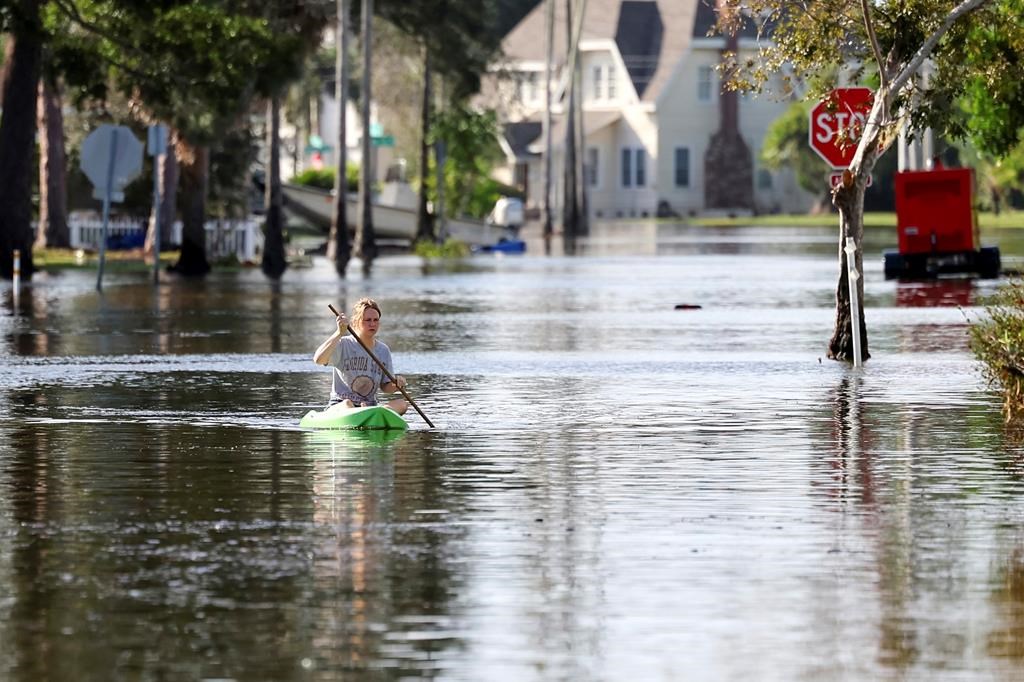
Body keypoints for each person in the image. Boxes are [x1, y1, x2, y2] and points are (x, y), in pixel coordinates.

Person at [313, 298, 408, 415]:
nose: (372, 324)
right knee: (347, 403)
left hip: (369, 406)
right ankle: (362, 413)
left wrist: (396, 384)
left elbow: (385, 387)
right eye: (368, 320)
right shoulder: (343, 344)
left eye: (376, 320)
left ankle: (370, 413)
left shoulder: (383, 350)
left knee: (402, 404)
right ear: (356, 322)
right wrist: (339, 333)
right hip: (340, 404)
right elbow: (318, 359)